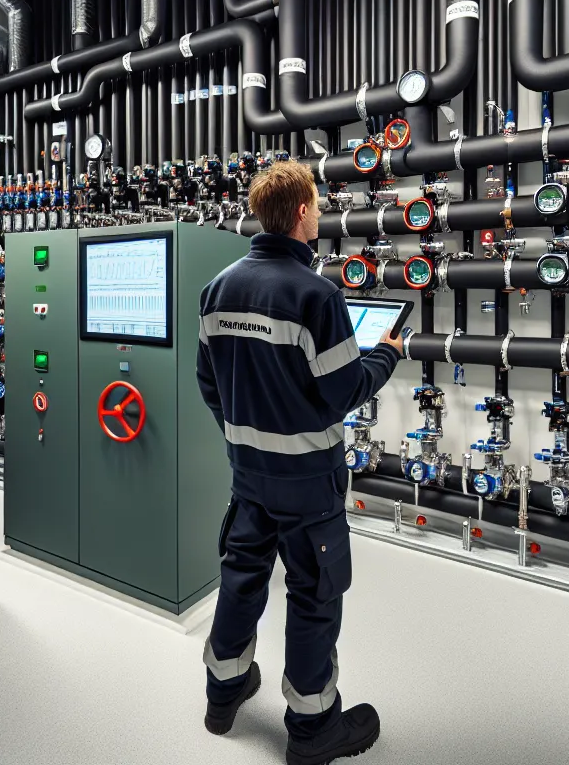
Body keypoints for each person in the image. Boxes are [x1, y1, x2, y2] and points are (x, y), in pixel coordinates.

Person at [195, 160, 404, 765]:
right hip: (308, 485)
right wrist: (386, 356)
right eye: (318, 207)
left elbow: (210, 384)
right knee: (313, 598)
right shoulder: (317, 296)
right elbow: (342, 390)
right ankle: (313, 733)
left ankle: (222, 695)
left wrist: (244, 435)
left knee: (241, 580)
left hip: (248, 477)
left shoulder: (219, 288)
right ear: (304, 214)